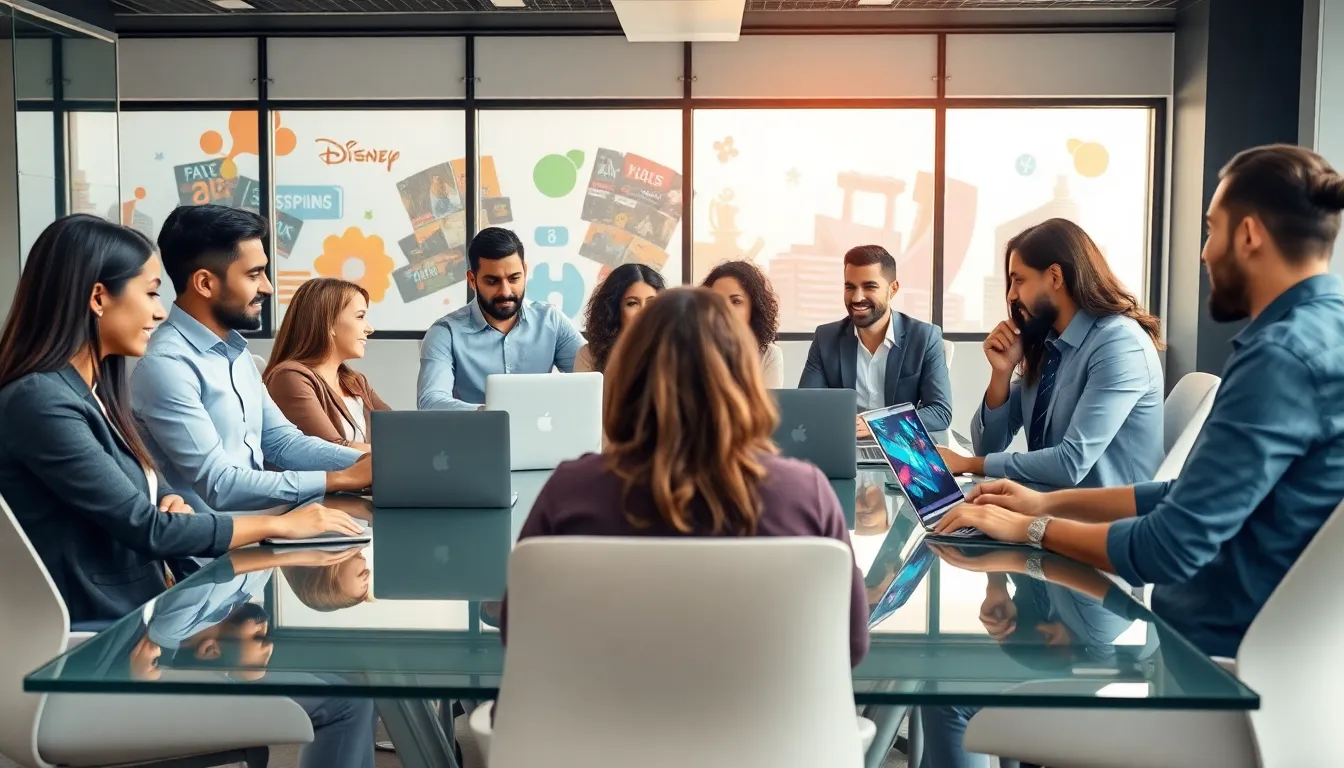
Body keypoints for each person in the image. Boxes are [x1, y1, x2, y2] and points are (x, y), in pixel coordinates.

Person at [936, 144, 1344, 663]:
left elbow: (1168, 547)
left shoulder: (1279, 358)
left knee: (959, 690)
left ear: (1248, 235)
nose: (1204, 253)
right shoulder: (1318, 333)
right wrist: (1043, 504)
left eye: (1211, 230)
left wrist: (1030, 529)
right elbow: (1183, 495)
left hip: (1208, 658)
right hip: (1231, 638)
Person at [0, 215, 366, 624]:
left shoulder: (96, 391)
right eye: (151, 293)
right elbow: (148, 527)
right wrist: (283, 523)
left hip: (146, 607)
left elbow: (138, 496)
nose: (160, 312)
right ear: (99, 298)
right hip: (102, 626)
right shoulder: (41, 400)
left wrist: (166, 500)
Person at [499, 287, 869, 668]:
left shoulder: (569, 492)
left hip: (600, 705)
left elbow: (517, 633)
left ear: (627, 377)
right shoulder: (806, 495)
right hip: (762, 707)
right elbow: (853, 645)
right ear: (744, 379)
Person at [130, 205, 371, 517]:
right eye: (253, 275)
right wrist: (340, 478)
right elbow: (219, 484)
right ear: (205, 283)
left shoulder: (237, 352)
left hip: (266, 534)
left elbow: (282, 443)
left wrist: (370, 464)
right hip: (216, 544)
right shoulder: (166, 365)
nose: (267, 287)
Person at [940, 218, 1165, 490]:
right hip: (1049, 499)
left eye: (1018, 280)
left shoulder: (1118, 344)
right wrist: (1001, 373)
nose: (1011, 295)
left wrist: (970, 464)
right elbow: (987, 446)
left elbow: (1071, 463)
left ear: (1055, 277)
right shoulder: (1051, 345)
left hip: (1104, 511)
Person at [418, 227, 584, 409]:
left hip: (542, 426)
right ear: (472, 280)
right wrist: (491, 416)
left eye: (514, 279)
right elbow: (431, 402)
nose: (505, 292)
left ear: (525, 271)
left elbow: (594, 379)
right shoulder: (445, 333)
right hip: (477, 427)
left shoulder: (551, 321)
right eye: (492, 281)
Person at [799, 245, 953, 441]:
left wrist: (877, 425)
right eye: (850, 287)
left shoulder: (924, 337)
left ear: (893, 289)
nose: (857, 297)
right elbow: (806, 406)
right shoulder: (825, 338)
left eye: (869, 287)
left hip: (900, 444)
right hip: (845, 444)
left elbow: (940, 412)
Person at [264, 278, 391, 451]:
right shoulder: (290, 377)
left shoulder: (356, 382)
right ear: (328, 323)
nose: (370, 328)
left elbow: (401, 429)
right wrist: (394, 451)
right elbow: (331, 450)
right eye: (360, 316)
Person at [703, 260, 785, 388]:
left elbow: (768, 401)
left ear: (753, 307)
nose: (725, 309)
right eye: (717, 301)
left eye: (736, 301)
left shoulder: (769, 354)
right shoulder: (692, 350)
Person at [575, 263, 665, 373]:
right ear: (614, 310)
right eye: (632, 303)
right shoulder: (589, 355)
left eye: (651, 302)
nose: (643, 311)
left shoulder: (675, 350)